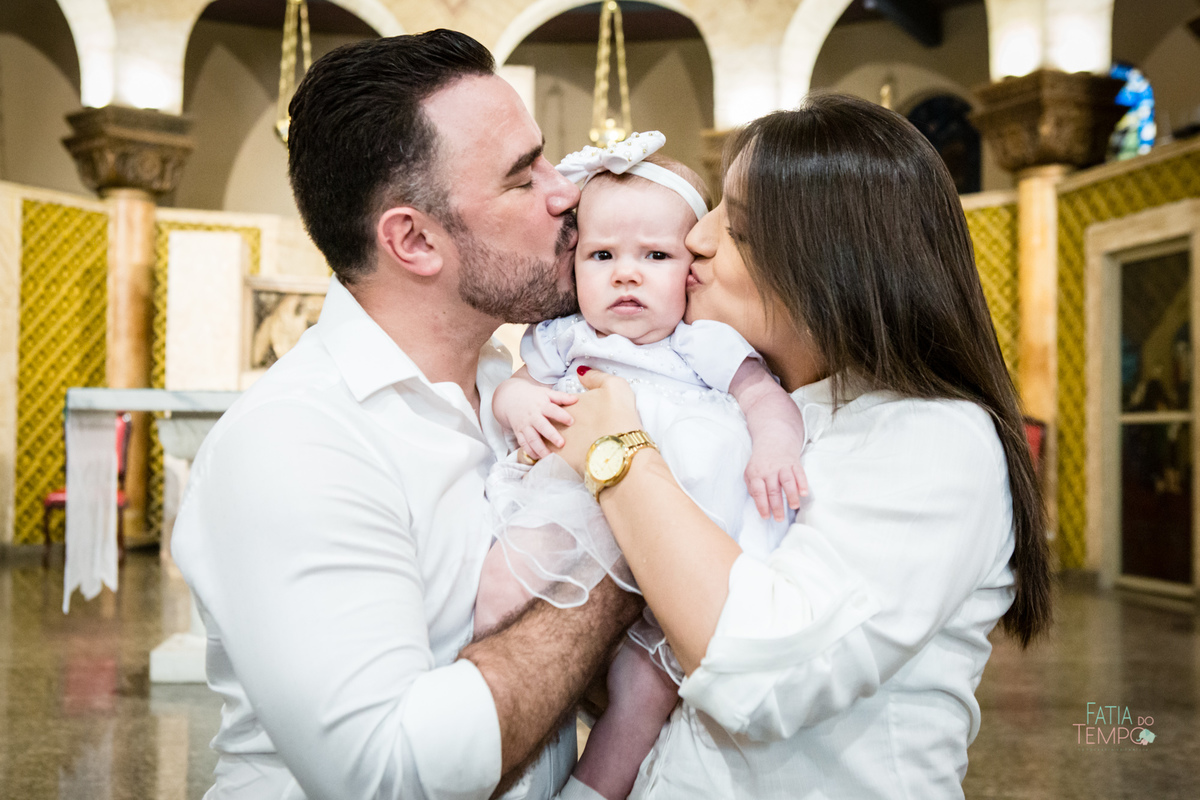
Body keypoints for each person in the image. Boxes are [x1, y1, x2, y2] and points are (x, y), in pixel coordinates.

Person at [170, 31, 642, 800]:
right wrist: (616, 571)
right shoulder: (297, 442)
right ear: (415, 240)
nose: (567, 193)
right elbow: (389, 777)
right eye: (524, 177)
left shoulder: (511, 383)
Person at [550, 94, 1054, 798]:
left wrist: (617, 453)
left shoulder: (932, 435)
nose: (697, 239)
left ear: (832, 266)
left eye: (737, 227)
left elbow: (763, 674)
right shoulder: (743, 407)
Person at [473, 135, 807, 800]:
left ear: (691, 269)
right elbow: (512, 389)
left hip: (683, 531)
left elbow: (765, 398)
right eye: (603, 256)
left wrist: (775, 446)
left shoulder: (703, 343)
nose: (627, 274)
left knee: (643, 691)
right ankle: (472, 716)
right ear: (574, 268)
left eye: (655, 256)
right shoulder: (565, 338)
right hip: (571, 510)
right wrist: (520, 402)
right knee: (498, 589)